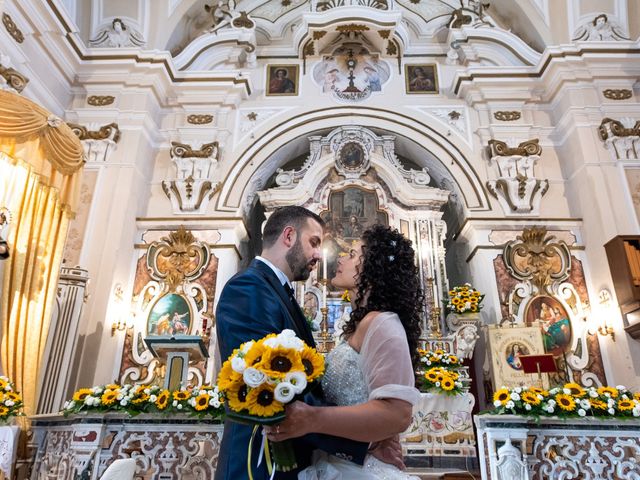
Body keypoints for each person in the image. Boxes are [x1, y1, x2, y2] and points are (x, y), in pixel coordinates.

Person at [215, 206, 375, 480]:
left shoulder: (279, 292)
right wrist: (361, 437)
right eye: (314, 242)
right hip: (260, 462)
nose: (318, 255)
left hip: (289, 456)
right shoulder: (249, 287)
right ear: (288, 236)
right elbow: (273, 385)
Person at [265, 224, 424, 479]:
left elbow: (397, 414)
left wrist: (313, 418)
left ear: (374, 269)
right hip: (338, 459)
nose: (341, 257)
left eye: (352, 254)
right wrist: (373, 439)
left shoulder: (382, 323)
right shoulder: (359, 326)